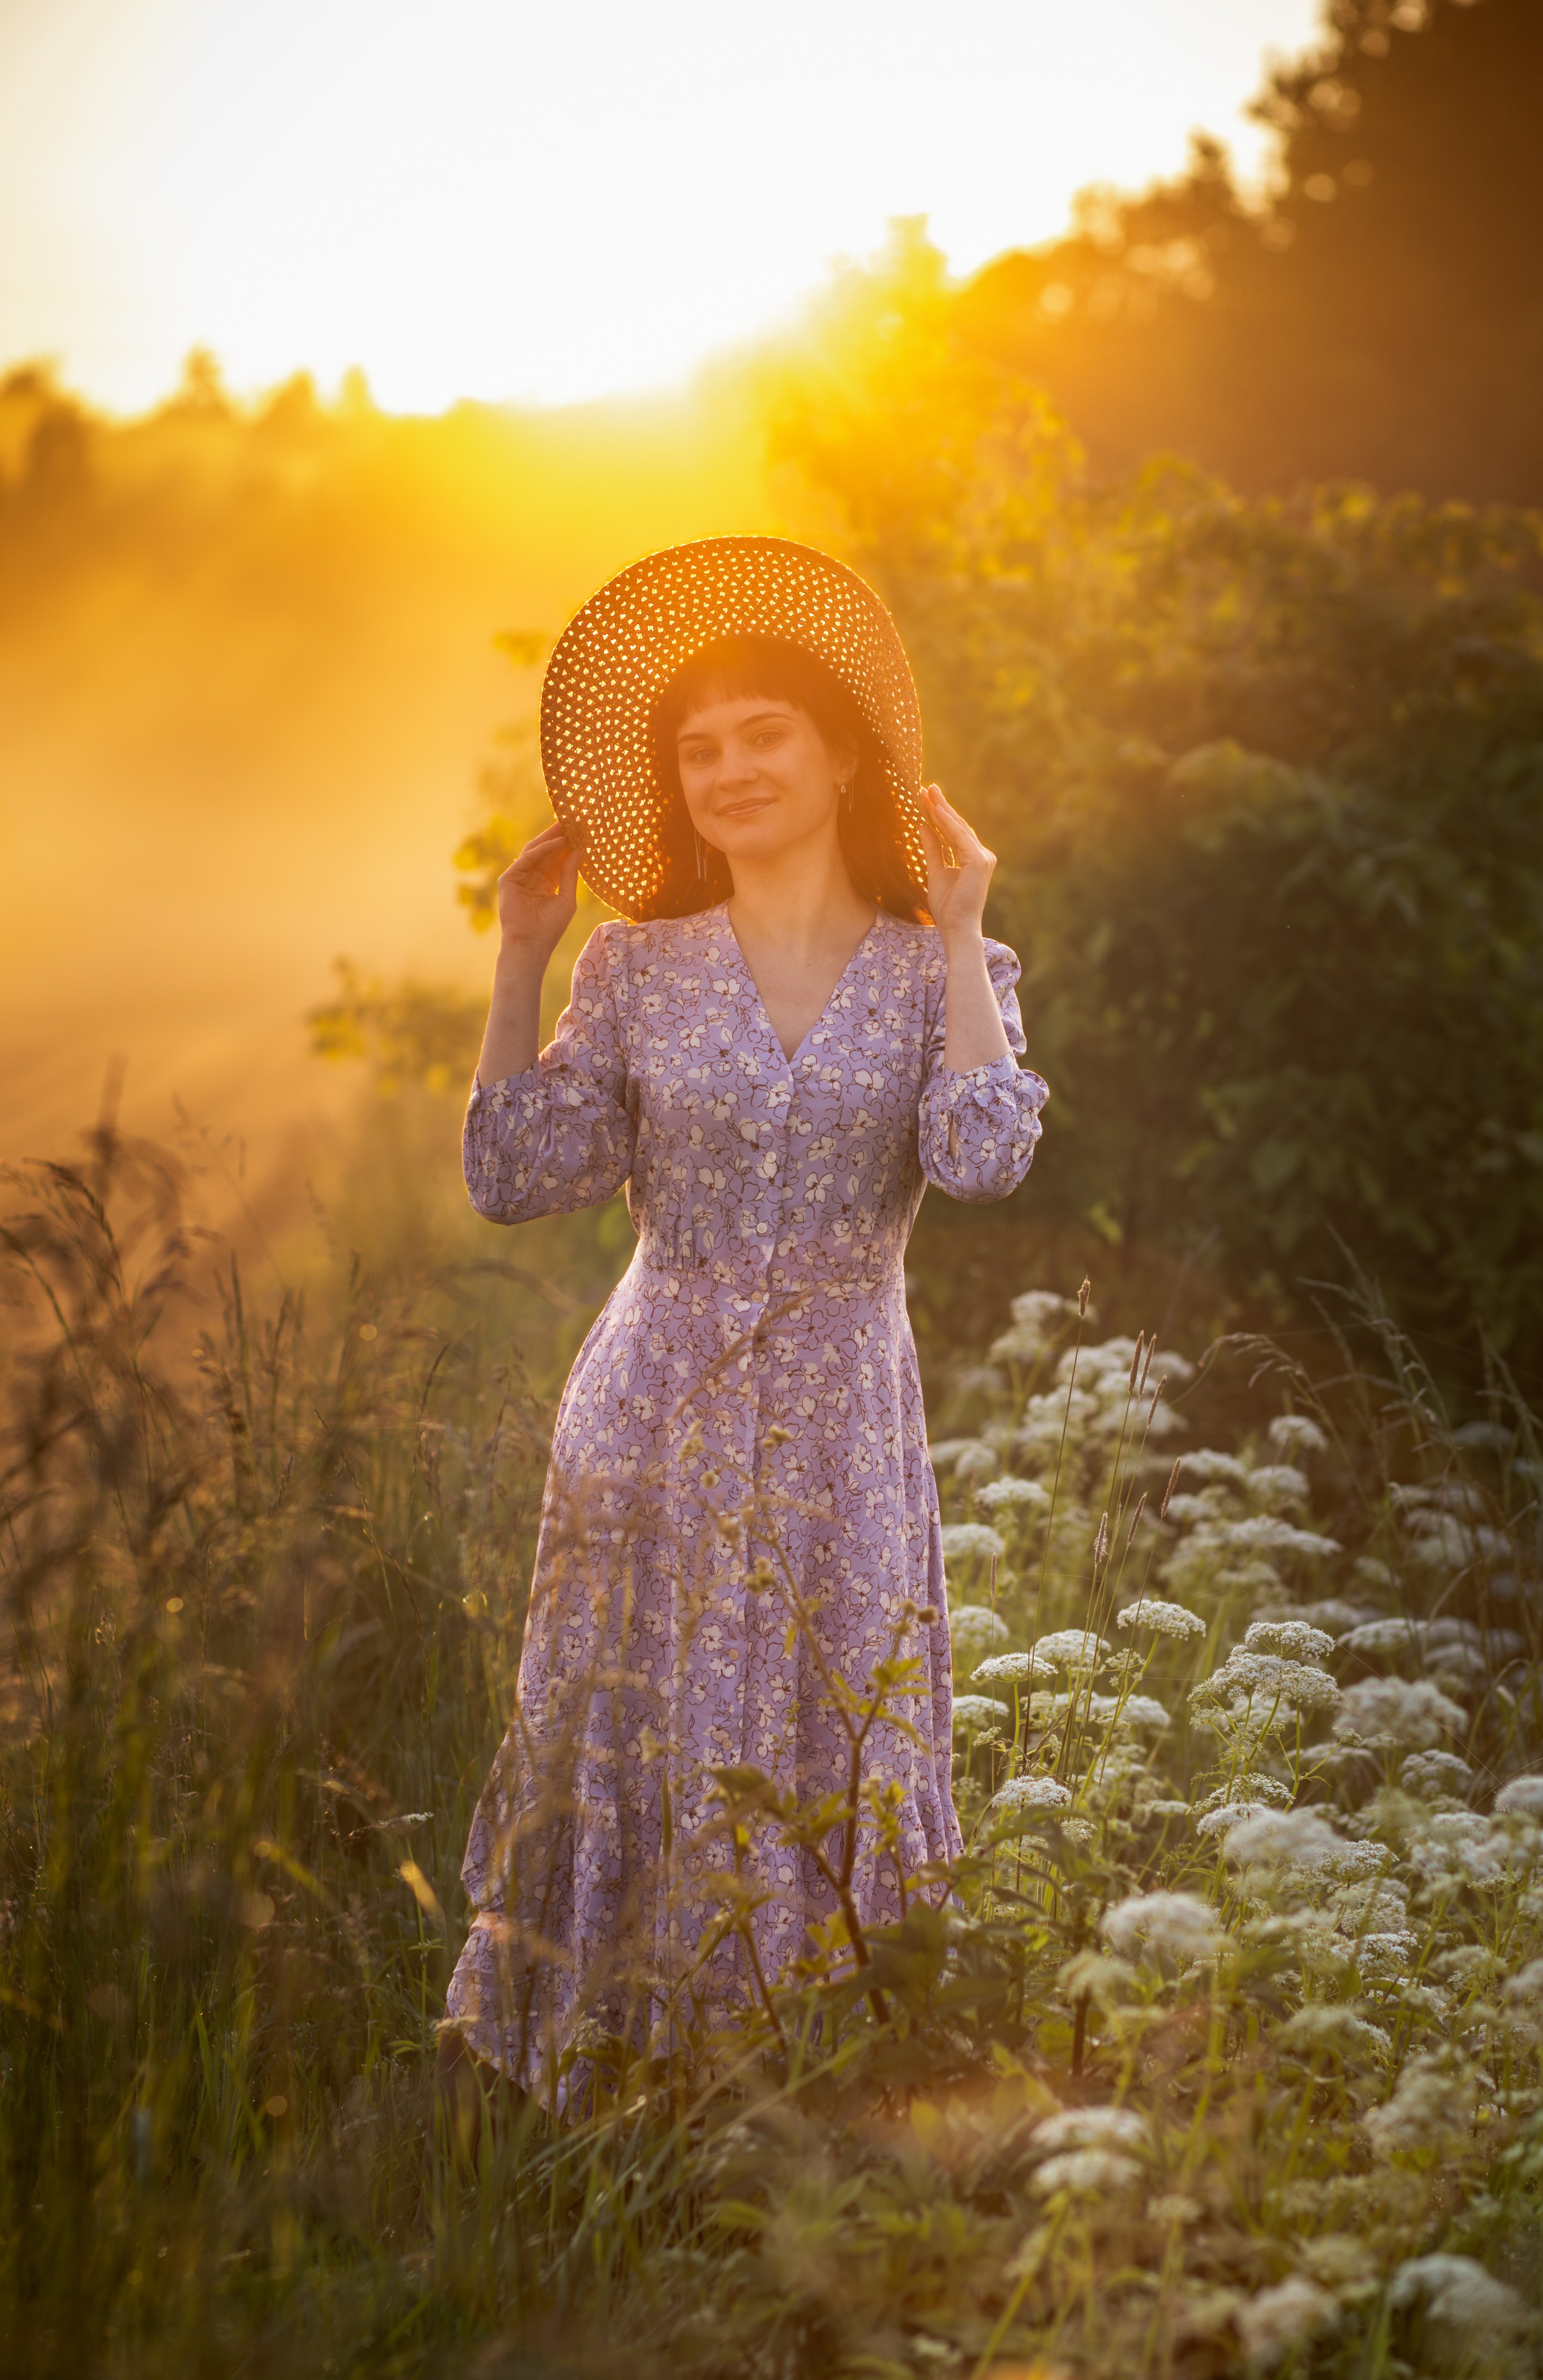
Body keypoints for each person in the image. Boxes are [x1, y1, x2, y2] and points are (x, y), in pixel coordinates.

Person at [440, 536, 1047, 2103]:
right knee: (633, 1719)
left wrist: (968, 922)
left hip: (845, 1406)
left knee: (823, 1714)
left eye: (762, 733)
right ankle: (607, 2072)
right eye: (696, 752)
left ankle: (813, 2080)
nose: (728, 770)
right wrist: (521, 956)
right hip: (648, 1402)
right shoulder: (634, 966)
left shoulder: (939, 976)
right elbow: (516, 1177)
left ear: (843, 748)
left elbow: (982, 1158)